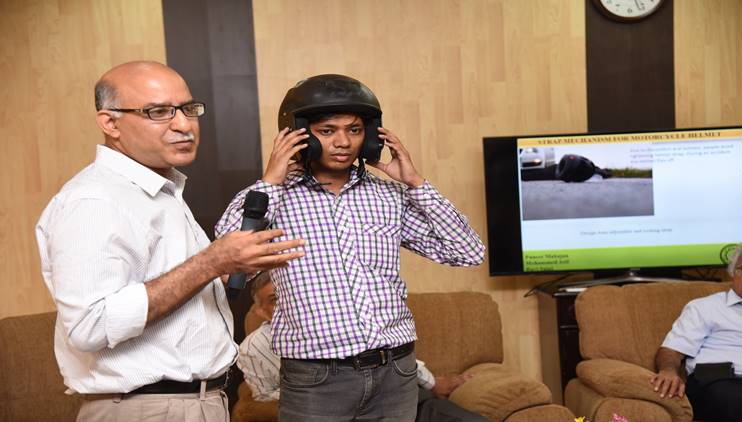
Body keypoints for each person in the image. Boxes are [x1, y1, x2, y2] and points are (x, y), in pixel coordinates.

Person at [35, 61, 304, 422]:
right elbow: (90, 325)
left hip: (195, 403)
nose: (183, 125)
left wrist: (227, 268)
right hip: (147, 409)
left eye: (188, 109)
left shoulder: (160, 192)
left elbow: (180, 289)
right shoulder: (94, 200)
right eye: (158, 112)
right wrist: (212, 261)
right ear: (110, 123)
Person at [216, 74, 485, 421]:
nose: (343, 142)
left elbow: (467, 251)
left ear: (369, 136)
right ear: (298, 135)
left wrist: (416, 183)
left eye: (354, 130)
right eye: (327, 131)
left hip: (396, 374)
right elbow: (225, 261)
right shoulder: (273, 198)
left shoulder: (389, 196)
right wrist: (270, 181)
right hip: (315, 380)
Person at [237, 272, 487, 422]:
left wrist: (433, 383)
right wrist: (327, 393)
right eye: (274, 300)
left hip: (401, 395)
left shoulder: (338, 319)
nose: (287, 304)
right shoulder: (253, 348)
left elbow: (394, 354)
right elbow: (262, 398)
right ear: (260, 311)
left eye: (290, 294)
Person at [650, 241, 742, 422]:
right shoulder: (706, 307)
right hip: (719, 383)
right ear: (733, 273)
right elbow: (672, 349)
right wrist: (668, 370)